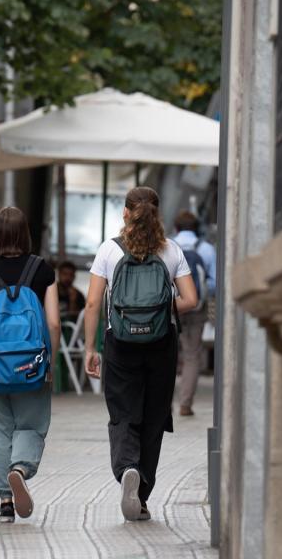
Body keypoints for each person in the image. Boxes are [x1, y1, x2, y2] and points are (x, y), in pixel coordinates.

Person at [83, 187, 197, 522]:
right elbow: (190, 300)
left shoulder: (109, 249)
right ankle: (142, 496)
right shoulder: (171, 249)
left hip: (119, 343)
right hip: (162, 343)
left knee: (123, 413)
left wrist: (91, 347)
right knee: (154, 417)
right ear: (157, 213)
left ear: (125, 213)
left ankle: (127, 468)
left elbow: (92, 303)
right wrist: (159, 311)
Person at [0, 207, 61, 524]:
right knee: (32, 424)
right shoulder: (42, 270)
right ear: (25, 234)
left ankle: (5, 500)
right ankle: (20, 468)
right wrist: (50, 361)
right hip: (32, 362)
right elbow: (54, 323)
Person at [171, 210, 216, 417]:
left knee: (167, 353)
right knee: (191, 356)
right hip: (197, 307)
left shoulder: (167, 246)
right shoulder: (207, 249)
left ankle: (163, 404)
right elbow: (214, 284)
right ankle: (185, 404)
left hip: (171, 307)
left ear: (177, 228)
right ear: (196, 228)